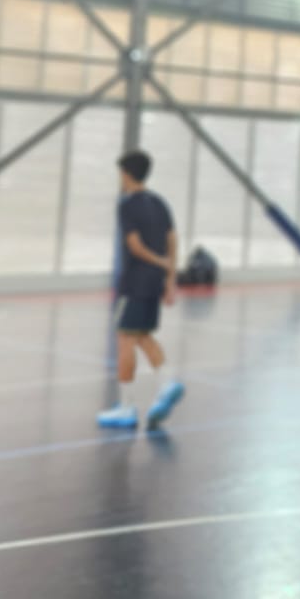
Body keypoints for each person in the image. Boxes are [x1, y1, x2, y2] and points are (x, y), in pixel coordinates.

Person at [98, 150, 185, 431]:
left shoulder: (127, 204)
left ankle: (126, 407)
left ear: (125, 174)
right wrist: (170, 277)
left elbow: (134, 246)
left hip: (135, 281)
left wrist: (159, 261)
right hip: (154, 281)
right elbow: (173, 240)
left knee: (125, 338)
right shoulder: (160, 202)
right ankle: (166, 383)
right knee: (143, 336)